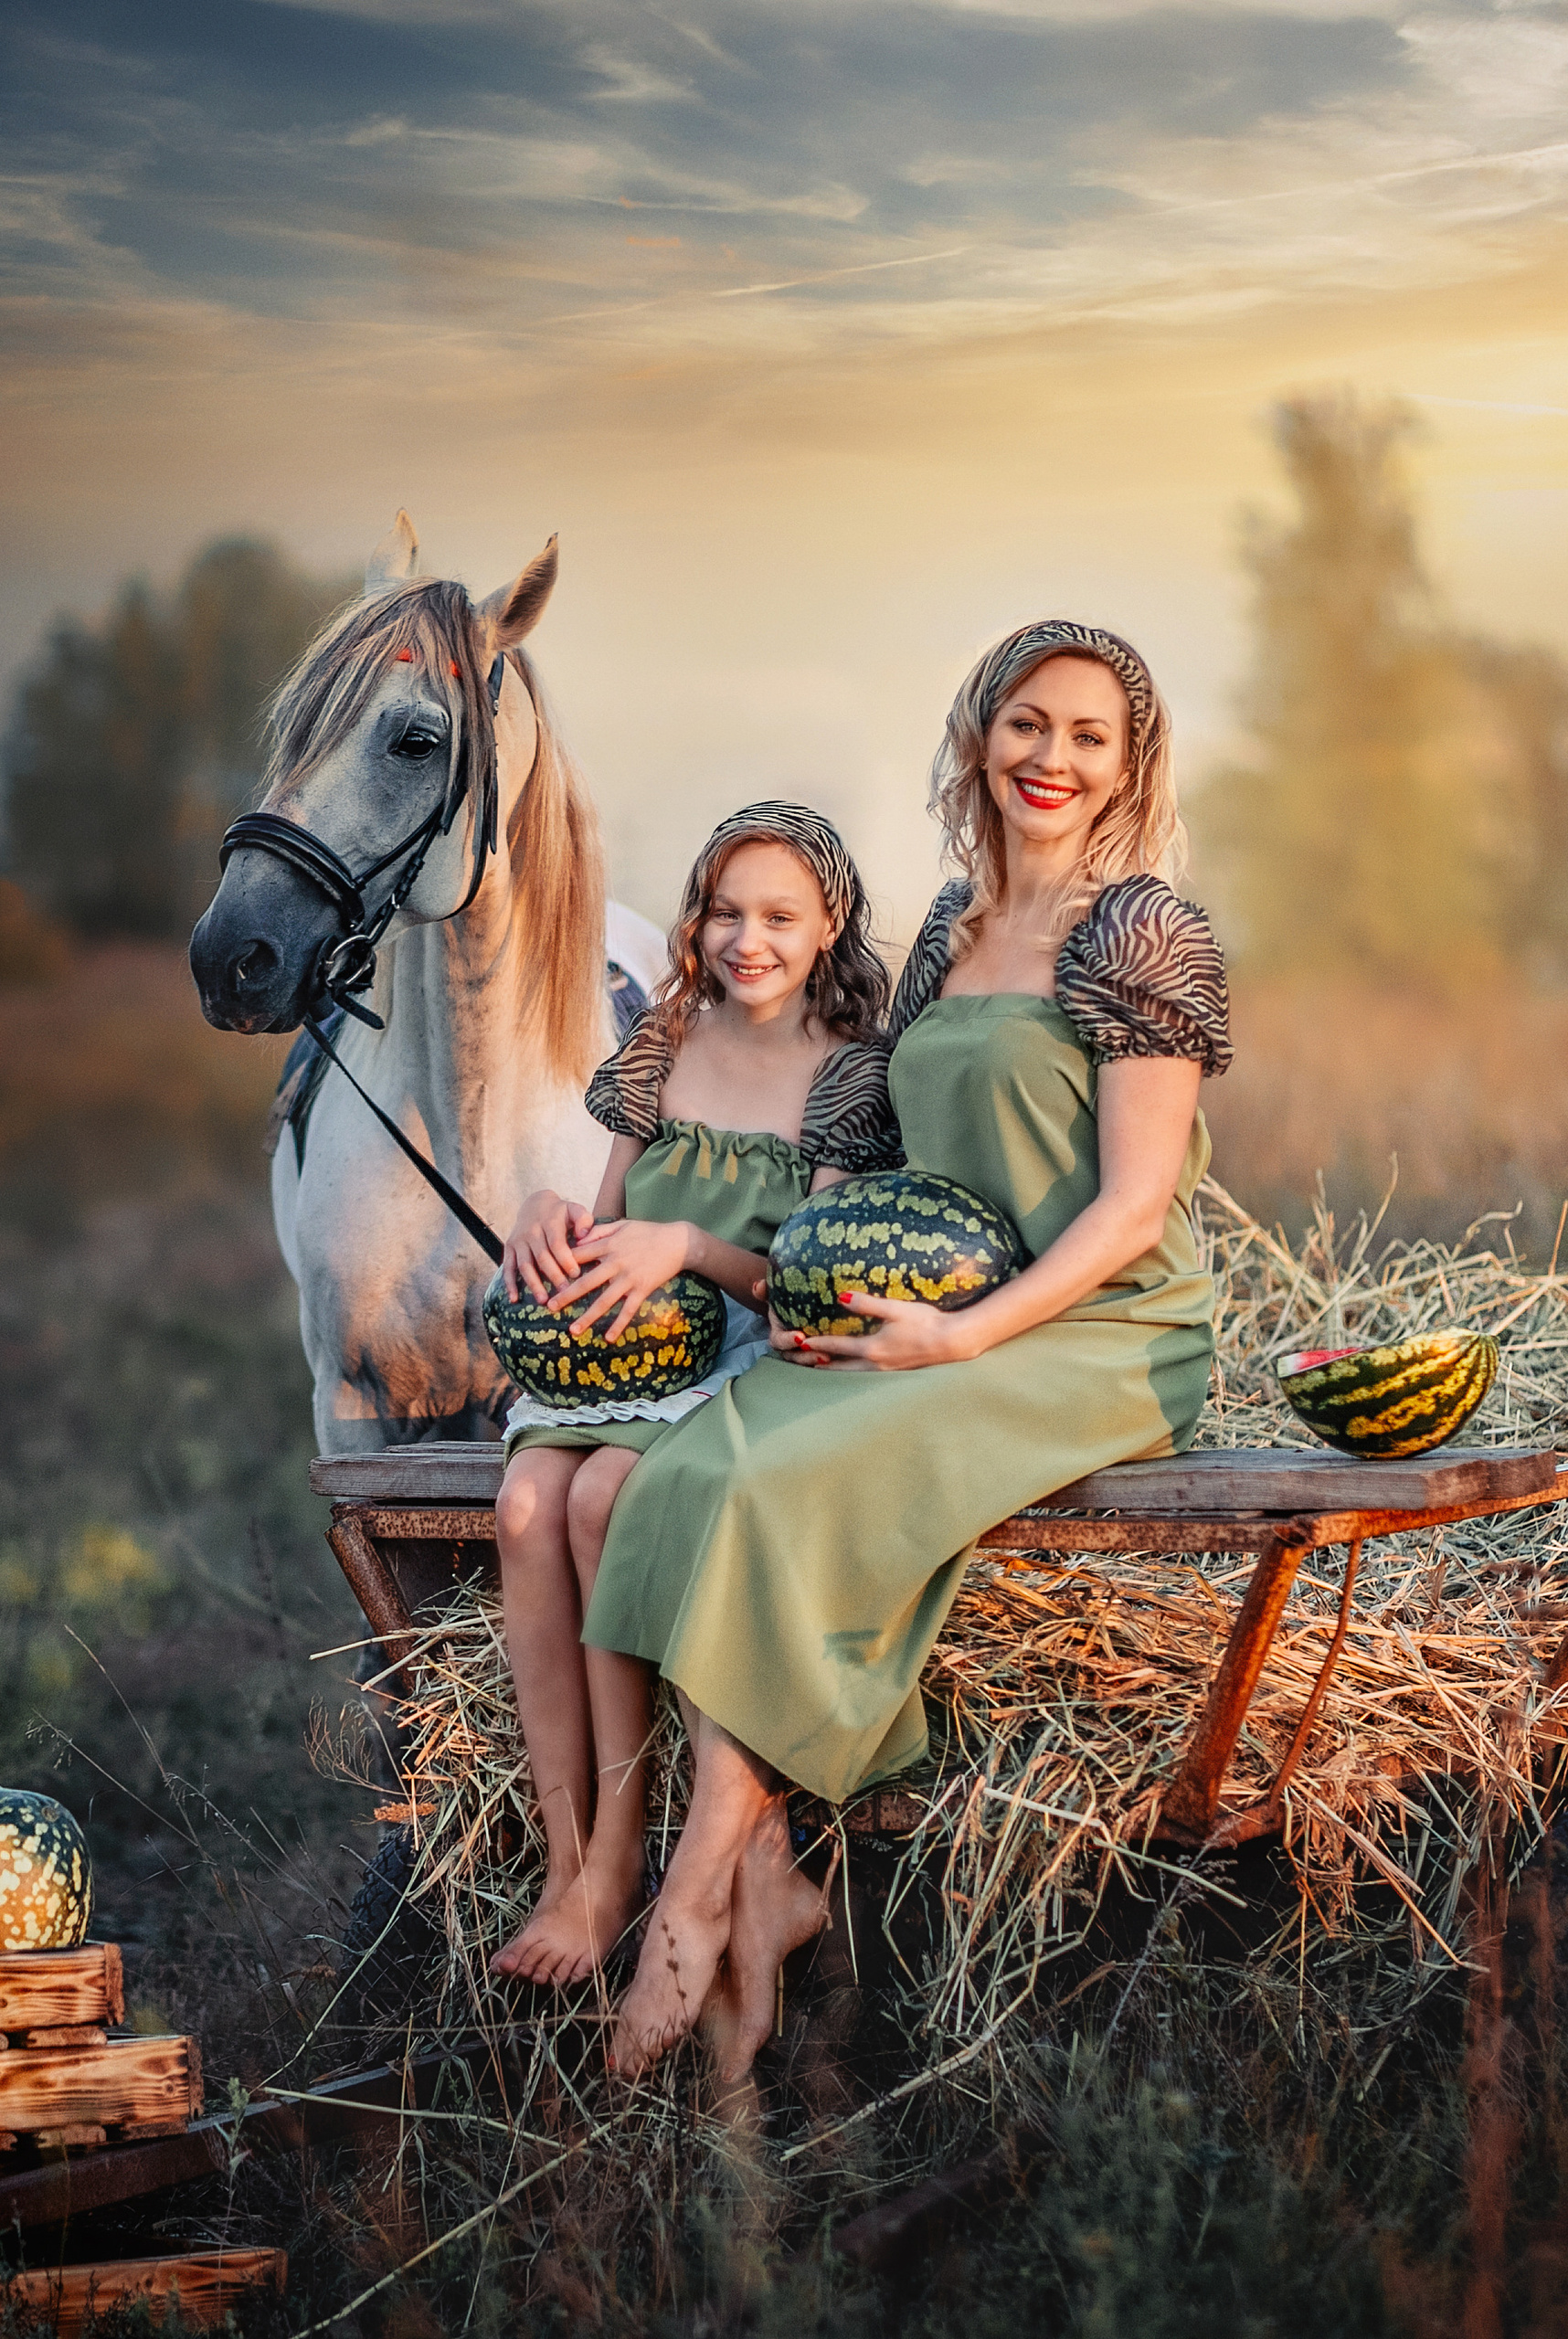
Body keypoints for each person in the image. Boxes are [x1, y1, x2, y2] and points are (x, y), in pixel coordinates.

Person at [584, 621, 1231, 2080]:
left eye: (1088, 736)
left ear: (1129, 764)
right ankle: (767, 1877)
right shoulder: (949, 927)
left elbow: (1133, 1209)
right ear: (979, 735)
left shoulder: (1144, 932)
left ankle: (694, 1888)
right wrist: (804, 1278)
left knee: (787, 1485)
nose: (1051, 758)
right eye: (1026, 723)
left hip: (1094, 1331)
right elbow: (868, 1140)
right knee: (699, 1467)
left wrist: (962, 1337)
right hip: (933, 1302)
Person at [489, 803, 898, 1986]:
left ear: (830, 926)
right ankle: (565, 1859)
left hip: (740, 1357)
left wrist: (690, 1248)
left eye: (779, 917)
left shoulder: (848, 1077)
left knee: (596, 1502)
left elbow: (808, 1289)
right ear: (695, 921)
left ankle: (620, 1861)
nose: (746, 941)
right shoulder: (662, 1043)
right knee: (524, 1506)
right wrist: (548, 1219)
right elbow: (608, 1218)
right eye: (725, 913)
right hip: (624, 1351)